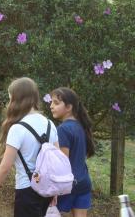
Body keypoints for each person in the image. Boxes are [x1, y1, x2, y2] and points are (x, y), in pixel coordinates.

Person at [0, 77, 59, 217]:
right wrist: (54, 190)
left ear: (16, 99)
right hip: (46, 188)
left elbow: (5, 167)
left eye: (10, 98)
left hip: (27, 189)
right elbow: (56, 161)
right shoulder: (50, 124)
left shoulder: (17, 128)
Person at [50, 87, 95, 217]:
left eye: (56, 103)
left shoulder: (63, 129)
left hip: (67, 185)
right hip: (84, 182)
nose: (52, 106)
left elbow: (62, 164)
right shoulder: (81, 126)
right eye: (51, 103)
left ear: (69, 107)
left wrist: (54, 191)